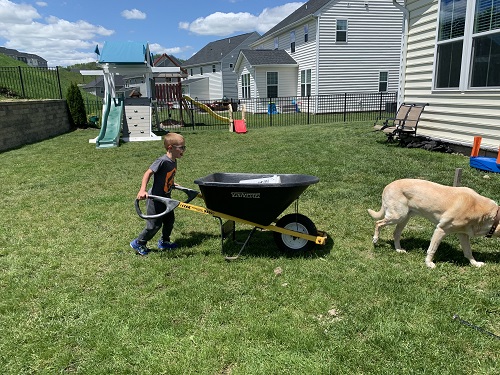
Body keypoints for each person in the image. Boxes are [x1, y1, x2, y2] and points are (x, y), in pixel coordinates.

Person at [130, 132, 186, 255]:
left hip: (166, 198)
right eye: (181, 147)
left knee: (169, 221)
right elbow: (148, 173)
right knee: (154, 225)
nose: (183, 150)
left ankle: (164, 242)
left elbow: (165, 177)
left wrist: (172, 183)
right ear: (170, 148)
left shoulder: (173, 161)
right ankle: (139, 243)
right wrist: (142, 190)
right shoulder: (162, 161)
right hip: (155, 199)